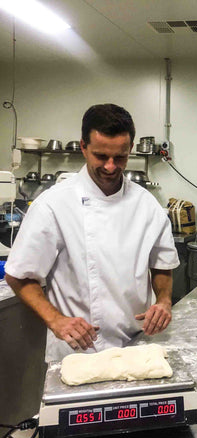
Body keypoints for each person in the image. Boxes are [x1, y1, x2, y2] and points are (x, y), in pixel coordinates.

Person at [5, 104, 179, 362]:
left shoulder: (147, 206)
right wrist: (56, 320)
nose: (110, 166)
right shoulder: (53, 205)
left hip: (138, 345)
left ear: (129, 150)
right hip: (77, 351)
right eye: (100, 156)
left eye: (119, 157)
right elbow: (18, 275)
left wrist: (163, 301)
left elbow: (162, 264)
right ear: (83, 147)